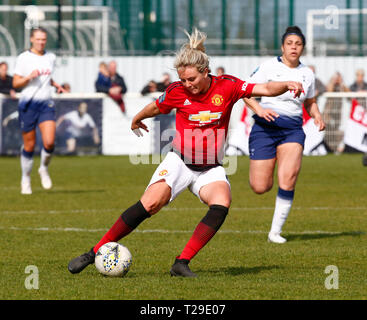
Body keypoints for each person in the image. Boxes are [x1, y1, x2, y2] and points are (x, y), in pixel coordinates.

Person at [67, 28, 303, 277]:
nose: (187, 85)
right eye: (183, 80)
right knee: (150, 204)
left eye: (191, 79)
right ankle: (93, 253)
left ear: (205, 72)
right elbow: (156, 107)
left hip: (210, 168)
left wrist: (287, 84)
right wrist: (137, 118)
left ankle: (181, 263)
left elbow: (265, 89)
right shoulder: (177, 91)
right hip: (179, 163)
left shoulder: (228, 86)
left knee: (222, 203)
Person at [244, 26, 325, 244]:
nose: (294, 47)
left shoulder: (307, 73)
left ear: (303, 48)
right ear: (282, 46)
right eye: (290, 43)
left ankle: (275, 232)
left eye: (298, 44)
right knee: (260, 187)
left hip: (292, 130)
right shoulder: (268, 67)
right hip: (265, 128)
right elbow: (245, 91)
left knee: (288, 179)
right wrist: (259, 109)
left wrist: (316, 115)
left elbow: (310, 101)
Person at [12, 27, 65, 195]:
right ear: (32, 40)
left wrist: (56, 85)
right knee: (30, 145)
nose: (41, 42)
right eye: (38, 39)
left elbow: (47, 77)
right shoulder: (24, 58)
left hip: (46, 104)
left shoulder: (51, 57)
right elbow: (15, 83)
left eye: (44, 39)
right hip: (28, 105)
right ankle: (25, 178)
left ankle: (43, 168)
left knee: (49, 142)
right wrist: (28, 77)